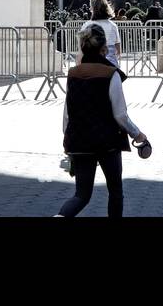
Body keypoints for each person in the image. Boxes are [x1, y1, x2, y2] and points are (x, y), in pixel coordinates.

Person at [57, 25, 148, 218]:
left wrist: (67, 139)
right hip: (107, 141)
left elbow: (67, 113)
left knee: (81, 195)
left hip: (79, 140)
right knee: (115, 192)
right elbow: (120, 115)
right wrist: (137, 134)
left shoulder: (73, 74)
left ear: (83, 46)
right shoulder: (110, 74)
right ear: (104, 48)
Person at [82, 0, 121, 68]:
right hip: (111, 65)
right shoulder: (113, 26)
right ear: (106, 7)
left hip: (91, 66)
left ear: (91, 8)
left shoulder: (86, 26)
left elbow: (82, 50)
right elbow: (118, 51)